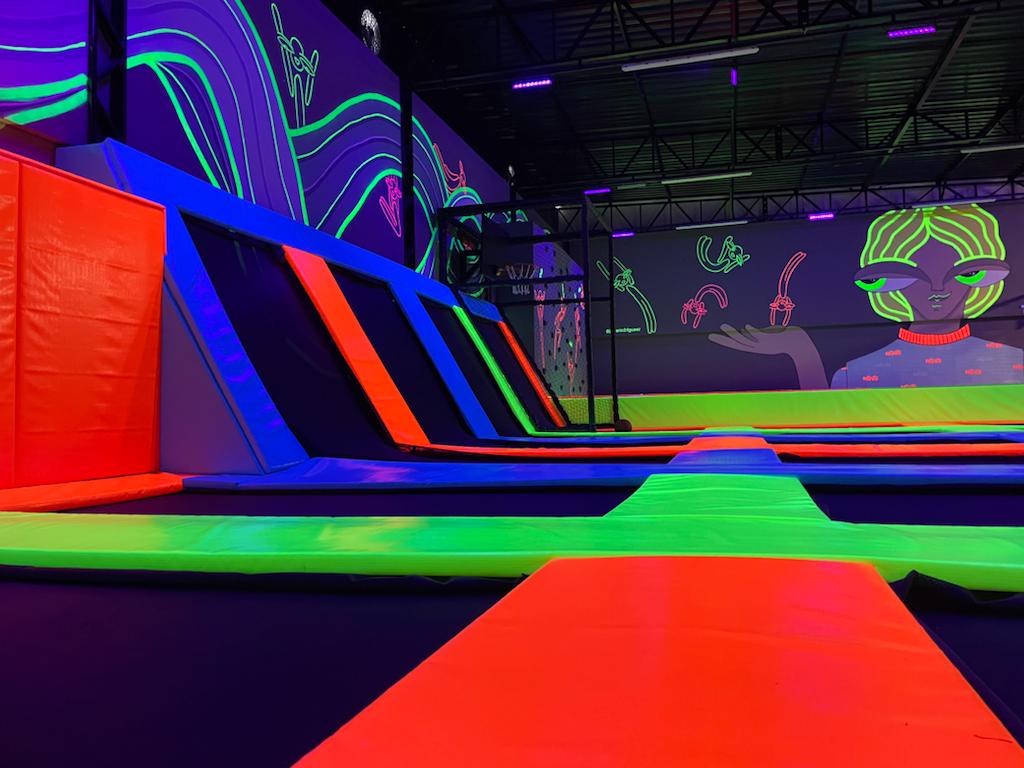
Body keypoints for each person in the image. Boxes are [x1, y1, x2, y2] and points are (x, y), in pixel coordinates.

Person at [709, 204, 1022, 389]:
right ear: (890, 283)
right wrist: (802, 353)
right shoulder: (859, 371)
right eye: (916, 277)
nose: (938, 289)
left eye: (961, 273)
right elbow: (830, 429)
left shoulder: (1014, 362)